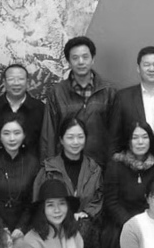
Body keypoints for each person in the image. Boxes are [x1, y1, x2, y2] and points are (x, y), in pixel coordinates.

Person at [97, 120, 154, 248]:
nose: (140, 142)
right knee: (119, 242)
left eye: (144, 137)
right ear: (128, 141)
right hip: (120, 221)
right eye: (135, 137)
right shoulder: (116, 165)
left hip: (149, 220)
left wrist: (148, 223)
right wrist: (132, 225)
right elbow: (111, 202)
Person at [32, 116, 104, 248]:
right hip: (52, 235)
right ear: (61, 140)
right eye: (70, 137)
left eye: (80, 137)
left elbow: (98, 198)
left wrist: (85, 213)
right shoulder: (48, 169)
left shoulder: (94, 169)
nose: (75, 142)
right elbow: (38, 203)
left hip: (85, 237)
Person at [44, 35, 116, 164]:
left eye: (85, 57)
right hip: (66, 165)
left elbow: (116, 134)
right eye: (75, 58)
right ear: (68, 62)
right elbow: (49, 133)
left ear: (93, 59)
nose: (81, 62)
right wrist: (49, 167)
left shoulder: (109, 91)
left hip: (100, 165)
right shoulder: (57, 92)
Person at [0, 62, 45, 162]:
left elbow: (43, 142)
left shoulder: (39, 108)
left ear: (27, 82)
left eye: (21, 79)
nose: (16, 83)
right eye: (11, 79)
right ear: (4, 82)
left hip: (31, 166)